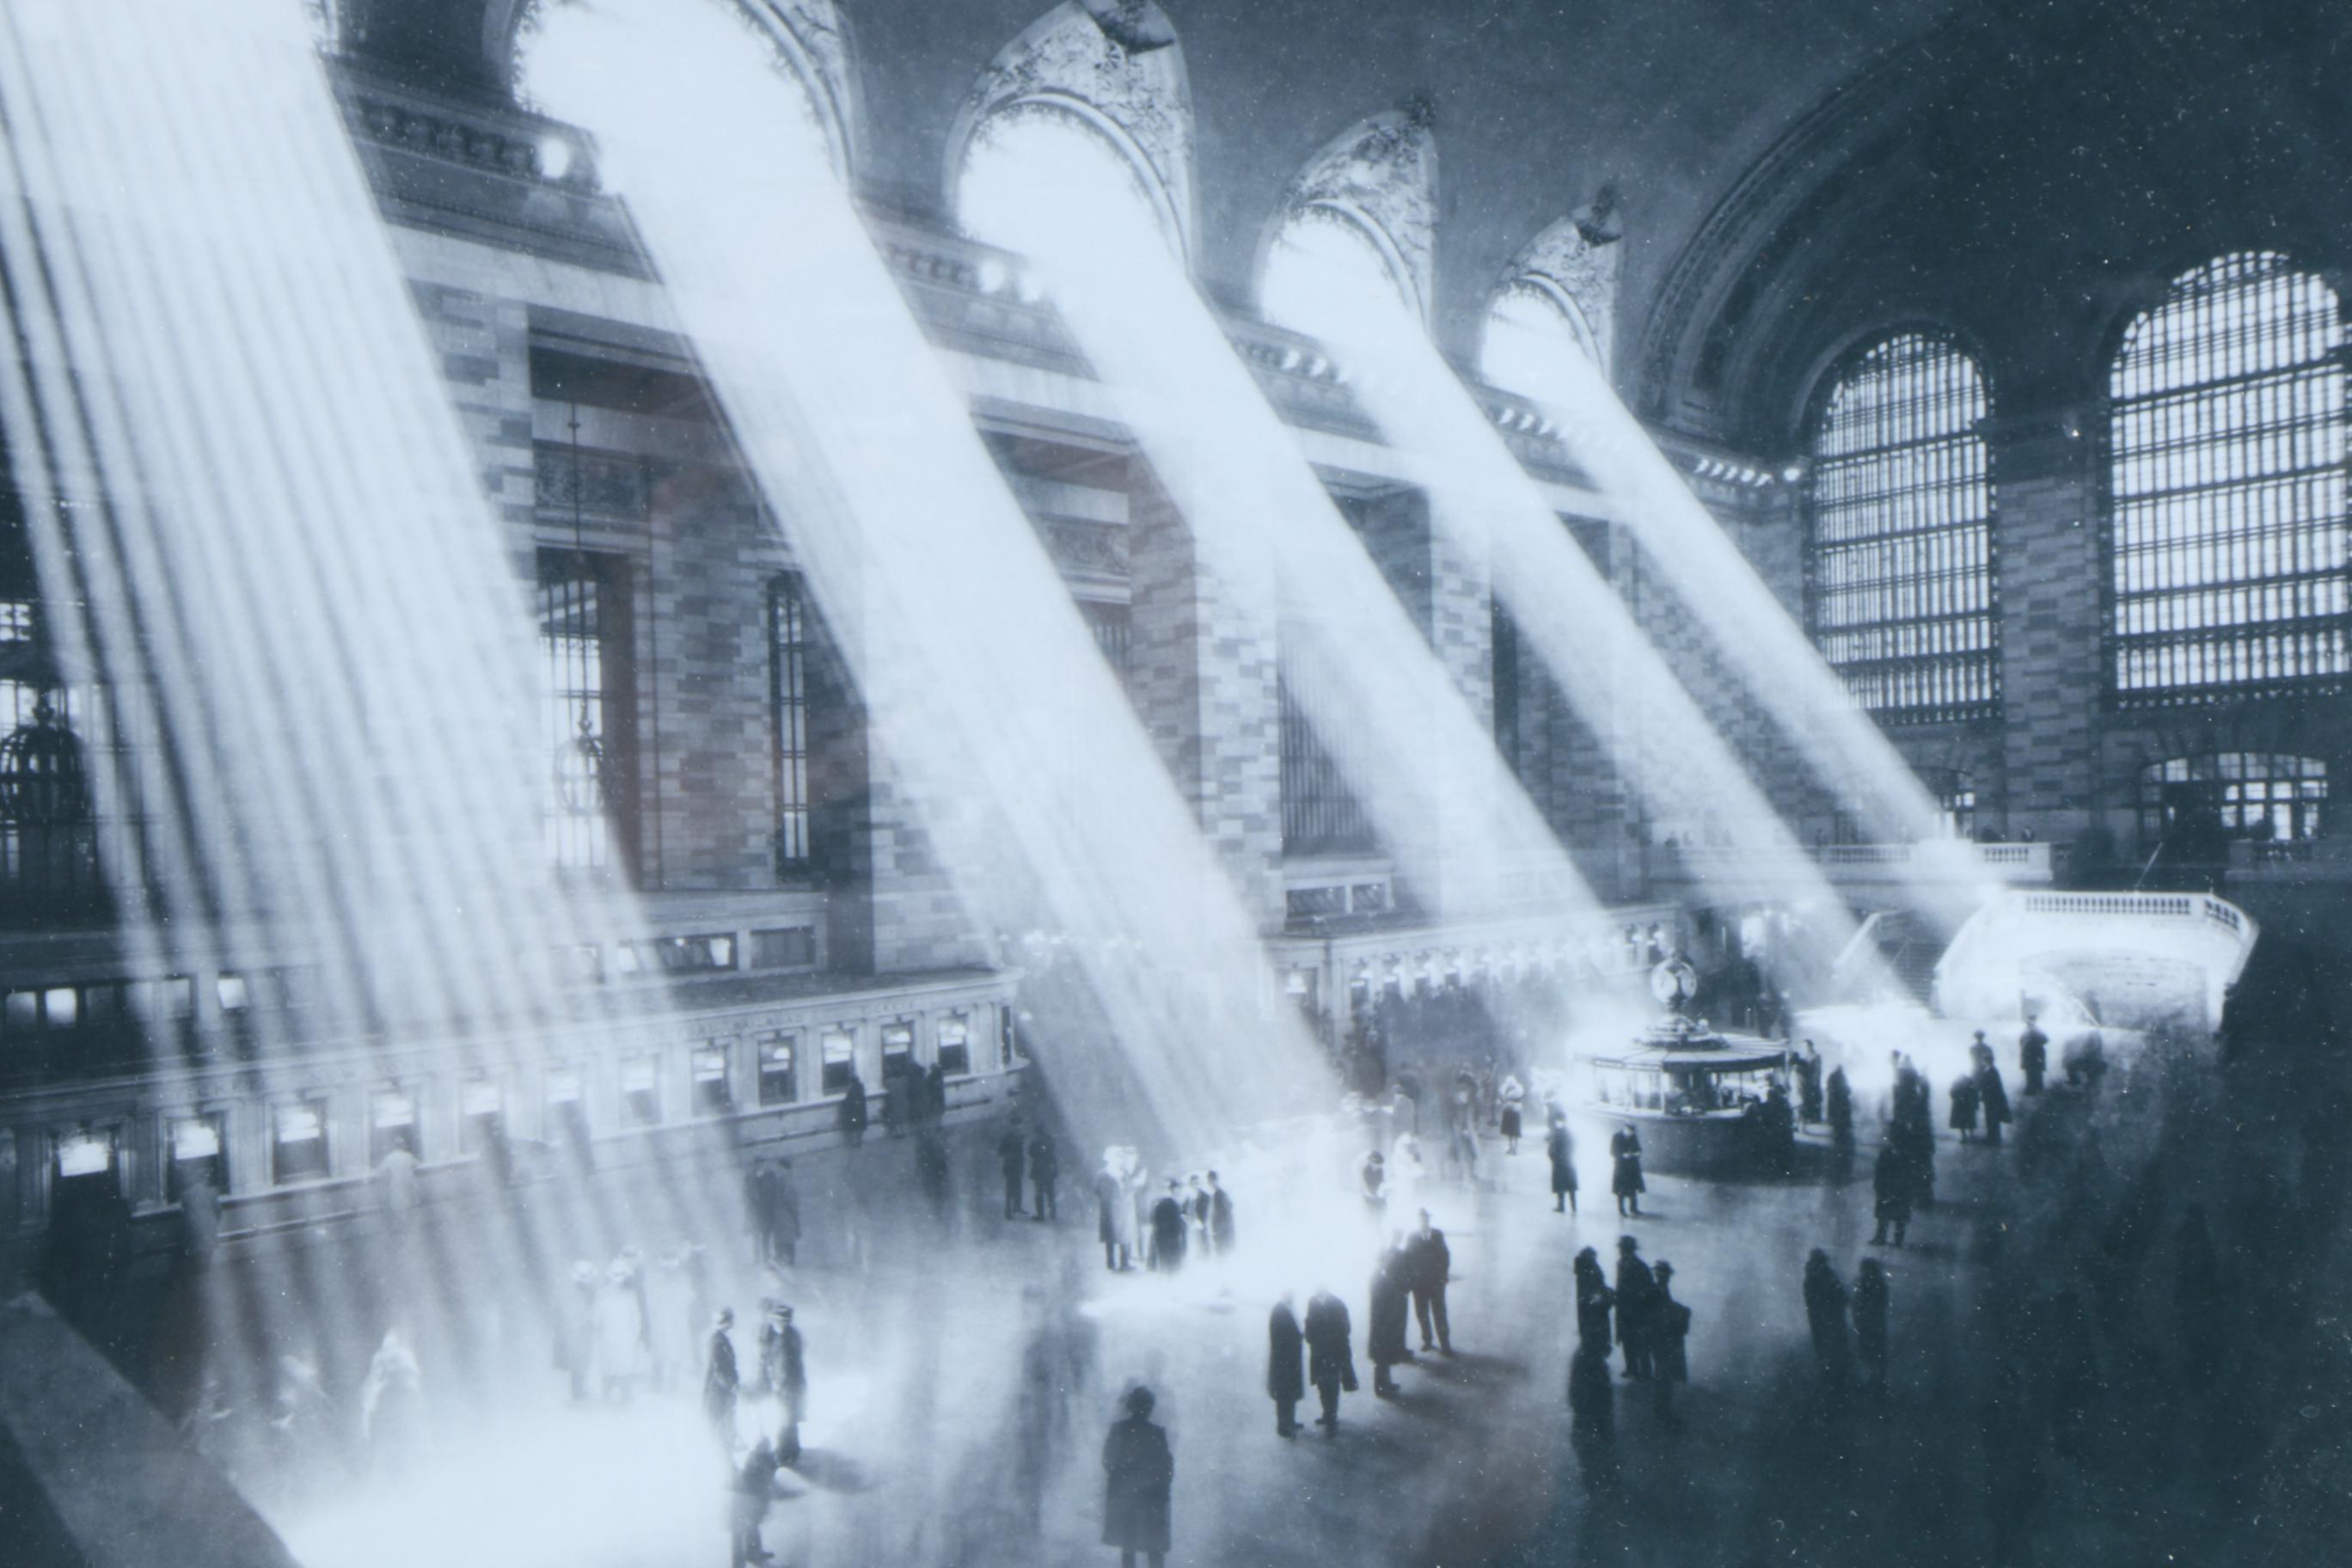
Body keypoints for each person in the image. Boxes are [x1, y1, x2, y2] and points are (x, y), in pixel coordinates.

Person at [1101, 1385, 1173, 1568]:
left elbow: (1109, 1460)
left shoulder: (1121, 1430)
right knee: (1150, 1548)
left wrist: (1123, 1479)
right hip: (1148, 1496)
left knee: (1131, 1546)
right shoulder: (1155, 1433)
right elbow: (1166, 1467)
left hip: (1133, 1495)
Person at [1303, 1287, 1357, 1432]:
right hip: (1319, 1351)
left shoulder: (1337, 1304)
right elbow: (1309, 1322)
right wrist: (1310, 1338)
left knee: (1332, 1384)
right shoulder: (1313, 1302)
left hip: (1333, 1351)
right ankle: (1327, 1413)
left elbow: (1346, 1328)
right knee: (1322, 1384)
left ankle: (1331, 1415)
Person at [1567, 1340, 1618, 1492]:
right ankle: (1605, 1476)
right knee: (1599, 1441)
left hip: (1589, 1408)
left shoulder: (1585, 1357)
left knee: (1591, 1442)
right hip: (1593, 1408)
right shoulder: (1591, 1361)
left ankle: (1596, 1477)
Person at [1405, 1209, 1453, 1356]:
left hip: (1436, 1283)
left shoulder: (1438, 1235)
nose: (1424, 1222)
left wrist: (1443, 1276)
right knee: (1422, 1313)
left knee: (1440, 1313)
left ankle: (1445, 1345)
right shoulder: (1412, 1237)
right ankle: (1427, 1341)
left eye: (1426, 1219)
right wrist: (1411, 1279)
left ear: (1429, 1221)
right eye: (1422, 1220)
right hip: (1419, 1285)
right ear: (1418, 1221)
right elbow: (1408, 1259)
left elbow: (1445, 1256)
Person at [1803, 1248, 1853, 1389]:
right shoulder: (1825, 1275)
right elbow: (1838, 1294)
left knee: (1822, 1340)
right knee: (1833, 1341)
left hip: (1818, 1315)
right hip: (1829, 1315)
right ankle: (1834, 1370)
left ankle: (1827, 1367)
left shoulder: (1811, 1276)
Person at [1368, 1242, 1413, 1396]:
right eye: (1386, 1260)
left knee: (1384, 1357)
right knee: (1381, 1359)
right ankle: (1381, 1388)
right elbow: (1381, 1305)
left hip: (1383, 1325)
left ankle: (1386, 1383)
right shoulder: (1379, 1279)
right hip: (1382, 1326)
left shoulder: (1380, 1276)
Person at [1650, 1260, 1691, 1424]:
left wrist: (1678, 1308)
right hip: (1661, 1339)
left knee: (1664, 1375)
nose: (1666, 1277)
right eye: (1664, 1274)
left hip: (1662, 1339)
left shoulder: (1660, 1289)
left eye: (1666, 1274)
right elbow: (1659, 1313)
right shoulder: (1656, 1291)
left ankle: (1663, 1409)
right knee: (1663, 1375)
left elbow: (1665, 1307)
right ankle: (1663, 1411)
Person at [1614, 1235, 1656, 1381]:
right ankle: (1632, 1368)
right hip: (1625, 1308)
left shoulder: (1639, 1266)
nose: (1620, 1251)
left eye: (1621, 1248)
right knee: (1627, 1339)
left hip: (1637, 1309)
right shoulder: (1621, 1264)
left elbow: (1647, 1289)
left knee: (1639, 1341)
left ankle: (1645, 1372)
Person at [730, 1437, 775, 1566]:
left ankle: (754, 1553)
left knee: (752, 1527)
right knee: (742, 1531)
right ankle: (747, 1558)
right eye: (765, 1447)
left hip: (751, 1498)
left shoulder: (762, 1458)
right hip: (746, 1499)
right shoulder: (756, 1460)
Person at [704, 1308, 744, 1453]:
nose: (732, 1325)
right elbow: (719, 1368)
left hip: (722, 1389)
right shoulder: (718, 1341)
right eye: (730, 1322)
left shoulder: (721, 1339)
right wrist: (732, 1386)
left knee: (725, 1424)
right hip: (719, 1391)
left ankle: (728, 1451)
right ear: (726, 1323)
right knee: (721, 1425)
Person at [1267, 1294, 1305, 1436]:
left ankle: (1289, 1422)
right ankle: (1283, 1426)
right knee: (1284, 1395)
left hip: (1287, 1360)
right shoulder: (1280, 1311)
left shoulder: (1283, 1309)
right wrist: (1299, 1337)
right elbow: (1281, 1337)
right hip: (1284, 1361)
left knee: (1289, 1393)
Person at [773, 1305, 806, 1463]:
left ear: (782, 1321)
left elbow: (783, 1365)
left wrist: (778, 1385)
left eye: (778, 1319)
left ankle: (784, 1454)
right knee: (791, 1418)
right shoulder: (794, 1335)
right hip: (796, 1383)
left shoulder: (783, 1338)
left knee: (784, 1419)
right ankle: (793, 1450)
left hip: (786, 1385)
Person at [1853, 1258, 1890, 1396]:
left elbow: (1866, 1304)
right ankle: (1875, 1380)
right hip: (1869, 1324)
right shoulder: (1870, 1283)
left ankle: (1877, 1382)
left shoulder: (1875, 1285)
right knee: (1870, 1352)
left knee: (1874, 1352)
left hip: (1872, 1324)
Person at [1573, 1246, 1615, 1351]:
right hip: (1595, 1316)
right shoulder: (1590, 1271)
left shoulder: (1583, 1272)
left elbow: (1590, 1294)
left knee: (1589, 1342)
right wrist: (1608, 1295)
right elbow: (1594, 1295)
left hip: (1588, 1315)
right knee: (1595, 1344)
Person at [1872, 1141, 1913, 1246]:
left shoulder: (1887, 1154)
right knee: (1893, 1216)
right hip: (1891, 1189)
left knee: (1892, 1216)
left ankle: (1884, 1238)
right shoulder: (1905, 1155)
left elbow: (1878, 1172)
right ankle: (1895, 1240)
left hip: (1896, 1190)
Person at [1094, 1155, 1130, 1271]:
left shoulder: (1101, 1173)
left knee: (1111, 1235)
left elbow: (1097, 1191)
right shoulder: (1123, 1173)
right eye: (1117, 1158)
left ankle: (1112, 1263)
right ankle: (1122, 1263)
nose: (1119, 1161)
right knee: (1121, 1234)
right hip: (1118, 1207)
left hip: (1108, 1207)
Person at [1148, 1179, 1188, 1274]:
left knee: (1167, 1265)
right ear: (1173, 1190)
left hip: (1167, 1237)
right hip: (1169, 1238)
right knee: (1171, 1266)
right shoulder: (1167, 1203)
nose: (1180, 1191)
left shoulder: (1170, 1202)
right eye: (1178, 1189)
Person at [1975, 1050, 2012, 1148]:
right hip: (1990, 1099)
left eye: (1985, 1060)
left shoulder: (1992, 1071)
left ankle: (1994, 1139)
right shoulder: (1991, 1070)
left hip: (1992, 1099)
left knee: (1992, 1119)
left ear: (1987, 1061)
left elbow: (1992, 1086)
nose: (1984, 1062)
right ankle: (1992, 1137)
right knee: (1990, 1119)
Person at [748, 1160, 780, 1265]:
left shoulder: (770, 1176)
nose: (759, 1166)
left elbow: (774, 1194)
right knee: (757, 1236)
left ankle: (767, 1258)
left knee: (766, 1236)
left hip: (766, 1212)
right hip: (758, 1213)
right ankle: (758, 1258)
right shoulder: (751, 1177)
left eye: (760, 1164)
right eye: (757, 1164)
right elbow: (748, 1195)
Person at [1610, 1123, 1645, 1217]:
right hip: (1621, 1167)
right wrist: (1622, 1155)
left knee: (1633, 1189)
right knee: (1621, 1190)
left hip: (1632, 1167)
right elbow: (1612, 1152)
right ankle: (1621, 1209)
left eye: (1632, 1132)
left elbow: (1639, 1148)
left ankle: (1633, 1209)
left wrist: (1638, 1153)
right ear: (1625, 1129)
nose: (1630, 1134)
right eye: (1629, 1132)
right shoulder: (1617, 1137)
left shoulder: (1633, 1136)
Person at [1827, 1065, 1856, 1178]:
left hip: (1836, 1108)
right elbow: (1848, 1090)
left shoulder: (1832, 1077)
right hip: (1842, 1108)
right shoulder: (1842, 1077)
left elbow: (1831, 1090)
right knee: (1843, 1134)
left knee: (1838, 1134)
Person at [771, 1160, 801, 1266]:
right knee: (783, 1239)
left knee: (787, 1240)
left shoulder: (788, 1182)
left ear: (787, 1169)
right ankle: (784, 1260)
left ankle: (788, 1261)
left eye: (781, 1168)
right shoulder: (782, 1181)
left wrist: (793, 1213)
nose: (779, 1170)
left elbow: (790, 1200)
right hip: (782, 1216)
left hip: (786, 1215)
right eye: (779, 1168)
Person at [1000, 1119, 1030, 1220]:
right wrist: (1010, 1156)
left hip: (1018, 1166)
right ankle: (1008, 1211)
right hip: (1010, 1166)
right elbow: (1001, 1152)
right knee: (1010, 1189)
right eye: (1015, 1125)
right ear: (1012, 1126)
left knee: (1018, 1187)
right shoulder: (1007, 1138)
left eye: (1019, 1125)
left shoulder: (1020, 1137)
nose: (1017, 1127)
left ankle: (1017, 1208)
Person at [1547, 1118, 1577, 1214]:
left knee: (1561, 1186)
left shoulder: (1557, 1133)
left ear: (1563, 1123)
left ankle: (1562, 1207)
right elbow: (1573, 1146)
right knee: (1570, 1186)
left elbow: (1551, 1148)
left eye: (1559, 1122)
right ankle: (1572, 1207)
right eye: (1557, 1122)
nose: (1557, 1124)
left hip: (1560, 1163)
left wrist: (1555, 1157)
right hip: (1568, 1163)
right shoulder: (1569, 1133)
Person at [1030, 1129, 1061, 1221]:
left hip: (1039, 1171)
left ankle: (1041, 1215)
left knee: (1039, 1194)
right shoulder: (1050, 1142)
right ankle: (1052, 1212)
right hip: (1048, 1171)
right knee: (1050, 1193)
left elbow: (1031, 1153)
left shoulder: (1035, 1143)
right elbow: (1052, 1156)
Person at [1797, 1040, 1824, 1125]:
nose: (1804, 1048)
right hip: (1804, 1082)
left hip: (1812, 1083)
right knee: (1805, 1100)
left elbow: (1817, 1071)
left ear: (1811, 1046)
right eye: (1803, 1046)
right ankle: (1806, 1117)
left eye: (1806, 1046)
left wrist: (1814, 1082)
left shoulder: (1816, 1056)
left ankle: (1813, 1118)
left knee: (1813, 1100)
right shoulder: (1805, 1056)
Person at [2018, 1016, 2049, 1096]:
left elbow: (2021, 1043)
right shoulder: (2036, 1031)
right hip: (2035, 1055)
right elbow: (2045, 1040)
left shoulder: (2024, 1032)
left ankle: (2031, 1089)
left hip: (2028, 1056)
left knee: (2030, 1073)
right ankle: (2036, 1088)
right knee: (2036, 1072)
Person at [1206, 1171, 1234, 1254]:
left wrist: (1217, 1232)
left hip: (1223, 1235)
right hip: (1222, 1234)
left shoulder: (1219, 1194)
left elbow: (1224, 1215)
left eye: (1211, 1181)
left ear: (1215, 1181)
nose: (1210, 1183)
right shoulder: (1217, 1194)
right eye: (1209, 1181)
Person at [839, 1069, 868, 1148]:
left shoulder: (851, 1089)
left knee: (855, 1126)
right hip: (861, 1111)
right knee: (860, 1127)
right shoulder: (861, 1087)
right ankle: (859, 1141)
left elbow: (848, 1100)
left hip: (854, 1112)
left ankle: (856, 1141)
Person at [1950, 1071, 1981, 1143]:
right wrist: (1975, 1104)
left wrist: (1957, 1098)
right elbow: (1974, 1092)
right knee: (1969, 1121)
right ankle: (1971, 1136)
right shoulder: (1970, 1080)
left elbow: (1952, 1093)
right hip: (1968, 1105)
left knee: (1962, 1122)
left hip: (1960, 1105)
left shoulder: (1956, 1082)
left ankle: (1964, 1137)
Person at [1359, 1149, 1387, 1222]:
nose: (1378, 1166)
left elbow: (1382, 1183)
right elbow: (1364, 1186)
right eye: (1377, 1164)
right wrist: (1371, 1193)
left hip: (1378, 1195)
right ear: (1372, 1162)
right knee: (1370, 1215)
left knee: (1382, 1209)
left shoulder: (1380, 1170)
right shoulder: (1365, 1170)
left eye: (1380, 1165)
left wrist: (1382, 1191)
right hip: (1368, 1196)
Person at [1498, 1075, 1524, 1155]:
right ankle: (1511, 1147)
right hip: (1509, 1110)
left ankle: (1514, 1148)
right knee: (1510, 1131)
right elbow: (1502, 1096)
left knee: (1514, 1131)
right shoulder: (1505, 1088)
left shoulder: (1518, 1089)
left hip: (1514, 1110)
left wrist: (1506, 1099)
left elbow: (1504, 1097)